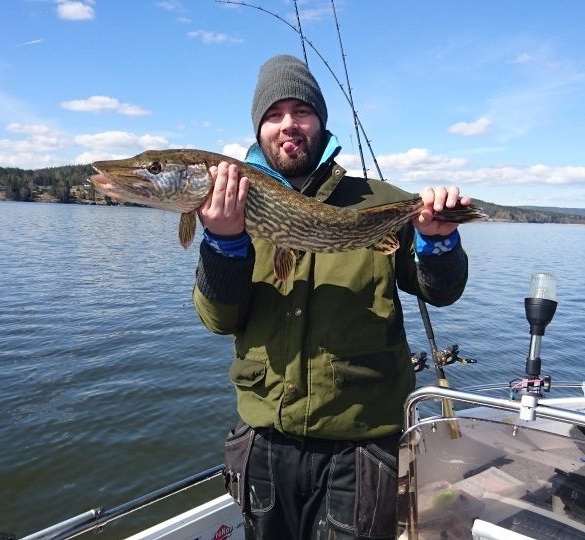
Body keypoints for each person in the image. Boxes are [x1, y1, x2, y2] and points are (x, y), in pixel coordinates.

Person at [192, 54, 471, 540]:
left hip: (361, 452)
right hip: (263, 444)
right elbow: (219, 319)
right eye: (273, 115)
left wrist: (439, 242)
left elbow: (440, 292)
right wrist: (223, 242)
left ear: (321, 120)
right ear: (258, 129)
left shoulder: (380, 200)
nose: (288, 126)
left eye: (301, 111)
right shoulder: (231, 208)